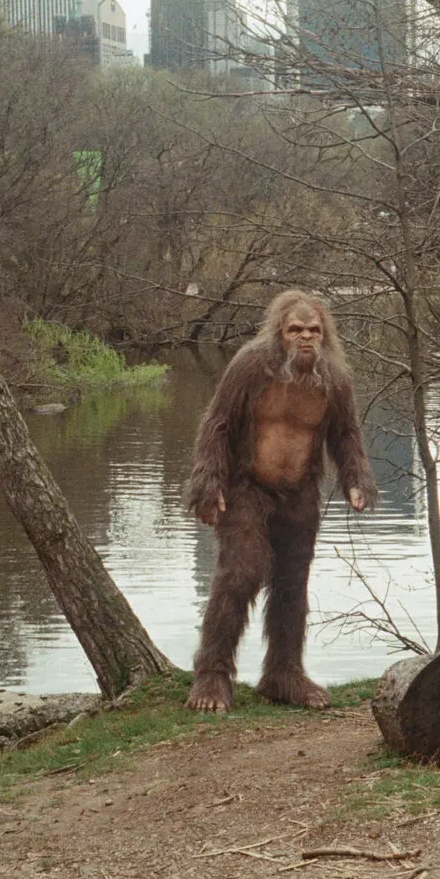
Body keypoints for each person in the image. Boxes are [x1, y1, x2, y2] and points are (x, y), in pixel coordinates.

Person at [182, 290, 377, 711]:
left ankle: (283, 674)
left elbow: (346, 435)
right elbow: (216, 425)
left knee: (292, 583)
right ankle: (212, 674)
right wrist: (208, 484)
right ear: (279, 333)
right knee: (240, 573)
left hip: (301, 493)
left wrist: (356, 479)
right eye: (295, 330)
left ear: (325, 336)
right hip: (246, 487)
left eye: (313, 331)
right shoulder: (252, 366)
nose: (305, 338)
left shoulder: (335, 379)